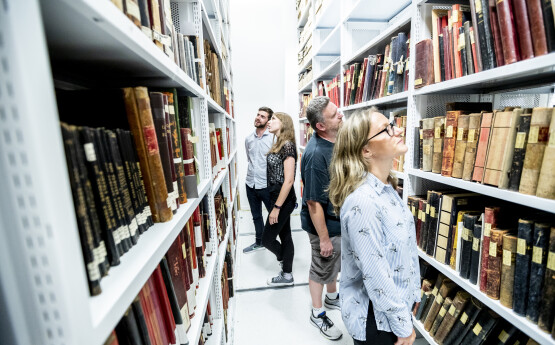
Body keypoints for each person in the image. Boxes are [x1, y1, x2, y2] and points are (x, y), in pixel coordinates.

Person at [328, 108, 420, 345]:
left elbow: (404, 251)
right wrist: (402, 326)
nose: (398, 130)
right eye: (387, 129)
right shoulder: (364, 201)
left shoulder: (387, 188)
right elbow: (376, 273)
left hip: (394, 312)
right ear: (366, 150)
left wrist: (413, 294)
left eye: (393, 124)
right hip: (377, 322)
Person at [301, 96, 344, 341]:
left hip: (334, 219)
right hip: (322, 225)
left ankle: (332, 298)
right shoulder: (316, 154)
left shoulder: (333, 140)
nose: (340, 115)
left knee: (331, 265)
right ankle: (317, 314)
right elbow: (313, 203)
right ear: (320, 126)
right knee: (322, 264)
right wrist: (324, 239)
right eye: (334, 114)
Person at [261, 112, 298, 286]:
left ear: (283, 123)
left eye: (273, 119)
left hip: (282, 201)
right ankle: (287, 274)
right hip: (275, 198)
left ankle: (284, 260)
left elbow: (289, 180)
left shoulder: (288, 146)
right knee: (286, 235)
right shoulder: (279, 143)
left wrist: (276, 207)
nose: (269, 121)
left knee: (266, 240)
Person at [243, 107, 274, 254]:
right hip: (250, 183)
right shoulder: (248, 139)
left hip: (266, 185)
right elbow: (249, 160)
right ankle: (259, 241)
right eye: (257, 115)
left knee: (273, 215)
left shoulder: (273, 138)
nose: (258, 118)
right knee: (256, 216)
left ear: (268, 121)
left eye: (262, 116)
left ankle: (272, 241)